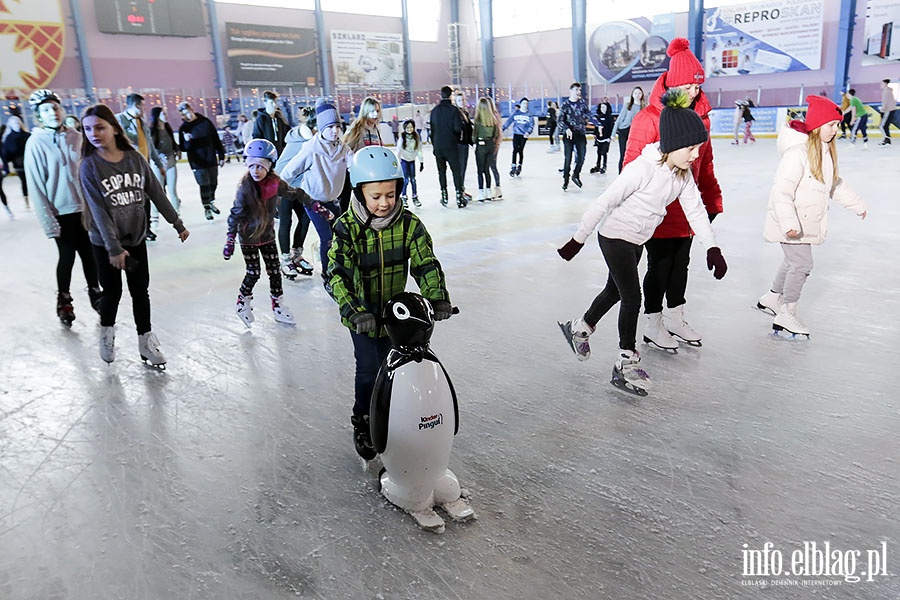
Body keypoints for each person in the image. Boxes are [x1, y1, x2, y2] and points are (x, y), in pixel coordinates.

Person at [556, 88, 728, 396]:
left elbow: (696, 212)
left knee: (614, 291)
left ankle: (579, 328)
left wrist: (712, 247)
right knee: (632, 297)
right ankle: (626, 362)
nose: (695, 154)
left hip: (636, 239)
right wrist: (577, 239)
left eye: (698, 148)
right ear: (673, 143)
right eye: (690, 148)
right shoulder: (642, 169)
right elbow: (603, 202)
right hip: (614, 237)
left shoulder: (682, 176)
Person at [327, 146, 452, 460]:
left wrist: (436, 298)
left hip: (396, 316)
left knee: (398, 368)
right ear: (359, 192)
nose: (384, 203)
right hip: (363, 315)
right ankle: (363, 419)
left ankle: (396, 417)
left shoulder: (409, 225)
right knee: (369, 369)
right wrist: (355, 311)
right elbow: (338, 273)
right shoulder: (347, 228)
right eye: (376, 196)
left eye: (391, 194)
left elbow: (425, 264)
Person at [624, 37, 723, 351]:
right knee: (660, 265)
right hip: (657, 207)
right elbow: (630, 166)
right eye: (689, 87)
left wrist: (713, 199)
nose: (695, 92)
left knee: (682, 264)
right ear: (673, 85)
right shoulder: (649, 118)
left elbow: (705, 164)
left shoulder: (700, 119)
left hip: (688, 206)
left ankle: (675, 317)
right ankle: (653, 323)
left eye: (698, 86)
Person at [79, 104, 189, 367]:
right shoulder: (89, 166)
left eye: (99, 127)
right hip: (105, 242)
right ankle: (106, 333)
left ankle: (145, 342)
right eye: (87, 129)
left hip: (136, 237)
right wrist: (114, 249)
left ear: (114, 129)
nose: (93, 133)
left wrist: (177, 223)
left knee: (141, 291)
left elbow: (157, 193)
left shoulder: (135, 159)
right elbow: (99, 212)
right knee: (113, 291)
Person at [757, 96, 867, 338]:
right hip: (791, 222)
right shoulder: (796, 155)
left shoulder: (824, 153)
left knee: (792, 262)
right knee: (803, 264)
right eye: (832, 125)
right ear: (817, 125)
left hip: (805, 222)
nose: (836, 130)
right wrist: (788, 223)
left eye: (838, 125)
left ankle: (773, 297)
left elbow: (834, 185)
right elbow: (781, 192)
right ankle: (787, 312)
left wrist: (857, 204)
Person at [224, 139, 330, 327]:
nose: (255, 171)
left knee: (275, 272)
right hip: (248, 237)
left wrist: (314, 204)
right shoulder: (244, 189)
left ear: (269, 166)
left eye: (260, 166)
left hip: (267, 236)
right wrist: (230, 239)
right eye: (252, 166)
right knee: (254, 272)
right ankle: (242, 301)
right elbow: (235, 214)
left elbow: (295, 193)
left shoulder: (275, 183)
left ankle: (278, 305)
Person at [23, 89, 102, 325]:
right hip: (60, 212)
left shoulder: (77, 137)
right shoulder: (35, 143)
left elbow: (92, 172)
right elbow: (36, 186)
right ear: (39, 115)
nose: (53, 113)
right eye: (46, 110)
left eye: (55, 108)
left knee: (90, 255)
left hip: (85, 209)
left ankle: (95, 293)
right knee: (66, 256)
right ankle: (64, 300)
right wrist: (49, 221)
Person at [279, 98, 349, 286]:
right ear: (321, 127)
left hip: (333, 201)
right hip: (313, 201)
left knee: (340, 235)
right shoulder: (310, 148)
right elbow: (288, 171)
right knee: (327, 238)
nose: (335, 131)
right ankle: (328, 274)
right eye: (330, 127)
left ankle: (336, 265)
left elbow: (355, 166)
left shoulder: (343, 148)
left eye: (338, 126)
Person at [273, 105, 317, 279]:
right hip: (284, 184)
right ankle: (284, 259)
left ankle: (296, 254)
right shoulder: (304, 135)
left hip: (301, 187)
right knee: (286, 220)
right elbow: (305, 133)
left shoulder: (315, 138)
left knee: (305, 219)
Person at [116, 93, 166, 240]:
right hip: (125, 168)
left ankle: (147, 228)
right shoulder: (119, 120)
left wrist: (158, 163)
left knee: (145, 198)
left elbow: (149, 144)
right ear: (135, 105)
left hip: (143, 167)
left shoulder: (141, 122)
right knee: (129, 200)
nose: (144, 109)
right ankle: (129, 229)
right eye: (142, 106)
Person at [177, 101, 225, 220]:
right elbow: (183, 148)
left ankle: (211, 202)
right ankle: (207, 208)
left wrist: (222, 155)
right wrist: (187, 141)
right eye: (184, 114)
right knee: (204, 185)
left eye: (188, 112)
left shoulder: (205, 122)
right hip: (197, 162)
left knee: (213, 183)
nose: (187, 115)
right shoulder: (184, 128)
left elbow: (216, 139)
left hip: (211, 158)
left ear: (191, 109)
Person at [340, 96, 384, 213]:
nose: (375, 114)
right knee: (345, 203)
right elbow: (344, 147)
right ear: (365, 112)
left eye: (377, 111)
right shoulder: (357, 128)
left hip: (369, 174)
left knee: (367, 203)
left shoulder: (376, 129)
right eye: (372, 111)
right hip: (353, 173)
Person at [429, 86, 467, 208]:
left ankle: (444, 195)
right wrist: (455, 137)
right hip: (451, 145)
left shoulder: (434, 111)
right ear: (451, 95)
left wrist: (435, 145)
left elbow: (432, 129)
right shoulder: (453, 110)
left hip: (438, 146)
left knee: (441, 171)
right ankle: (459, 196)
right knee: (456, 171)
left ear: (441, 95)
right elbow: (457, 128)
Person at [558, 82, 600, 191]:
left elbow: (589, 115)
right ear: (571, 91)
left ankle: (575, 175)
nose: (578, 92)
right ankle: (566, 178)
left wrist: (598, 124)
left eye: (580, 90)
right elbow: (560, 120)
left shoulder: (582, 104)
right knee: (568, 158)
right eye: (576, 90)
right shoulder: (565, 105)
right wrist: (566, 128)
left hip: (580, 134)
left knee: (581, 157)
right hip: (569, 135)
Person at [148, 106, 181, 234]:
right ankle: (155, 217)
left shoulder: (167, 128)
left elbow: (172, 142)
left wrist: (177, 150)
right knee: (158, 191)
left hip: (171, 161)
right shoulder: (151, 130)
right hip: (157, 163)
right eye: (163, 113)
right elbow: (150, 148)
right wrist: (158, 159)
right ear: (157, 115)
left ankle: (176, 215)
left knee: (172, 190)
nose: (166, 115)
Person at [611, 86, 646, 173]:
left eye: (639, 93)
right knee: (623, 153)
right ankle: (621, 174)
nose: (637, 95)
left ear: (642, 95)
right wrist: (613, 133)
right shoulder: (628, 105)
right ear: (632, 95)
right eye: (635, 93)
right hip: (624, 131)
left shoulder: (644, 107)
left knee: (635, 154)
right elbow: (619, 119)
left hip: (636, 133)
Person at [472, 97, 499, 202]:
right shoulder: (493, 120)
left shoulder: (478, 122)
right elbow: (495, 134)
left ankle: (481, 192)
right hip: (490, 145)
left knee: (480, 170)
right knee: (487, 170)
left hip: (481, 145)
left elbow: (474, 136)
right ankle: (488, 192)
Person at [251, 90, 291, 156]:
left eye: (275, 102)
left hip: (280, 153)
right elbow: (257, 136)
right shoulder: (261, 119)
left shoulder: (280, 119)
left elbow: (286, 134)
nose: (274, 105)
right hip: (267, 154)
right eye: (271, 102)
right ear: (265, 103)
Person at [502, 97, 534, 177]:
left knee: (520, 150)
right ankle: (513, 165)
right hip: (516, 134)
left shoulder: (529, 115)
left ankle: (519, 165)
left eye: (526, 104)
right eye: (523, 103)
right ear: (520, 104)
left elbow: (531, 125)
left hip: (523, 135)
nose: (525, 105)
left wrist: (528, 132)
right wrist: (502, 129)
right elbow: (509, 121)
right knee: (515, 150)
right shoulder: (516, 113)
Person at [2, 115, 30, 206]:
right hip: (18, 164)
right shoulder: (9, 138)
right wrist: (6, 166)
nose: (16, 125)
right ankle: (26, 200)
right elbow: (6, 153)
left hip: (30, 162)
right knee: (24, 181)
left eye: (17, 123)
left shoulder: (27, 135)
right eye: (14, 123)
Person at [397, 118, 424, 207]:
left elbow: (419, 150)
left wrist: (421, 162)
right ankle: (404, 197)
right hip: (404, 161)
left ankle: (415, 196)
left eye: (411, 127)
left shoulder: (416, 137)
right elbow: (399, 150)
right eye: (407, 127)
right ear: (404, 128)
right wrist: (398, 160)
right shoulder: (402, 138)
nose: (410, 129)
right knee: (405, 180)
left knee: (413, 179)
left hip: (412, 161)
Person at [486, 96, 504, 200]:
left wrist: (496, 145)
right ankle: (488, 189)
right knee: (488, 167)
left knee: (492, 166)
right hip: (489, 145)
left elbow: (499, 133)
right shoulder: (487, 116)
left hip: (493, 145)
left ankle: (497, 188)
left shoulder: (495, 116)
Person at [589, 101, 614, 174]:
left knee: (604, 152)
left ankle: (604, 166)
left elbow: (611, 127)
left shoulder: (610, 117)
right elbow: (596, 127)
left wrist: (610, 136)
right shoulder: (598, 117)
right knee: (599, 152)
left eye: (604, 107)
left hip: (606, 138)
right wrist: (595, 133)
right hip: (599, 138)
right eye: (602, 107)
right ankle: (598, 165)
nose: (603, 109)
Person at [879, 79, 896, 146]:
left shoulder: (886, 92)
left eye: (882, 84)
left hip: (888, 110)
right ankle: (887, 140)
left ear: (885, 84)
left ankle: (887, 139)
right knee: (885, 126)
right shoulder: (889, 90)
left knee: (882, 126)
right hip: (891, 109)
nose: (881, 85)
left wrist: (882, 111)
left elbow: (885, 103)